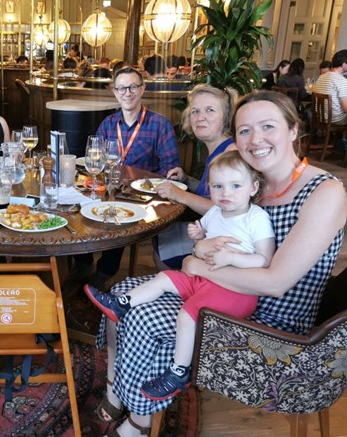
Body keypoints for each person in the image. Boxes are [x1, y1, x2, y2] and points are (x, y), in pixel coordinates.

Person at [95, 90, 346, 436]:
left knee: (141, 316)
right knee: (124, 292)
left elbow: (275, 282)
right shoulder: (256, 185)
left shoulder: (324, 190)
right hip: (226, 293)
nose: (255, 139)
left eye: (268, 126)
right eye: (244, 131)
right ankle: (121, 392)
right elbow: (215, 232)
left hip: (272, 328)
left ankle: (138, 421)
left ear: (293, 130)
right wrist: (200, 250)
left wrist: (199, 266)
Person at [86, 150, 275, 400]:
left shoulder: (256, 218)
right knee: (164, 278)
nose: (225, 193)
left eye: (235, 186)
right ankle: (123, 304)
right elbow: (203, 236)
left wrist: (231, 258)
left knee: (187, 316)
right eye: (218, 186)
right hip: (205, 279)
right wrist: (198, 234)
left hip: (236, 291)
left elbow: (264, 259)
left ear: (253, 187)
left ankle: (178, 372)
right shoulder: (215, 212)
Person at [73, 66, 181, 286]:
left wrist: (142, 185)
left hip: (141, 198)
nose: (127, 93)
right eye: (121, 88)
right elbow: (95, 161)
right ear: (115, 92)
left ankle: (104, 272)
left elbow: (170, 170)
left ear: (142, 89)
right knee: (77, 209)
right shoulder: (108, 124)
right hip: (108, 190)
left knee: (119, 217)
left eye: (133, 87)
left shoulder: (160, 125)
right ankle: (83, 263)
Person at [154, 84, 238, 268]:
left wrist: (178, 194)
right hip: (209, 231)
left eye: (210, 110)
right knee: (161, 235)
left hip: (225, 244)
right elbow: (211, 192)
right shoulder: (218, 150)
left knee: (162, 244)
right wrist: (186, 180)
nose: (200, 117)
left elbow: (226, 211)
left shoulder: (230, 154)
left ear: (226, 117)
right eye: (195, 111)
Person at [313, 49, 347, 125]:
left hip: (320, 117)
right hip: (336, 119)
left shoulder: (321, 77)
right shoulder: (342, 80)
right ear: (344, 64)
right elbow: (345, 109)